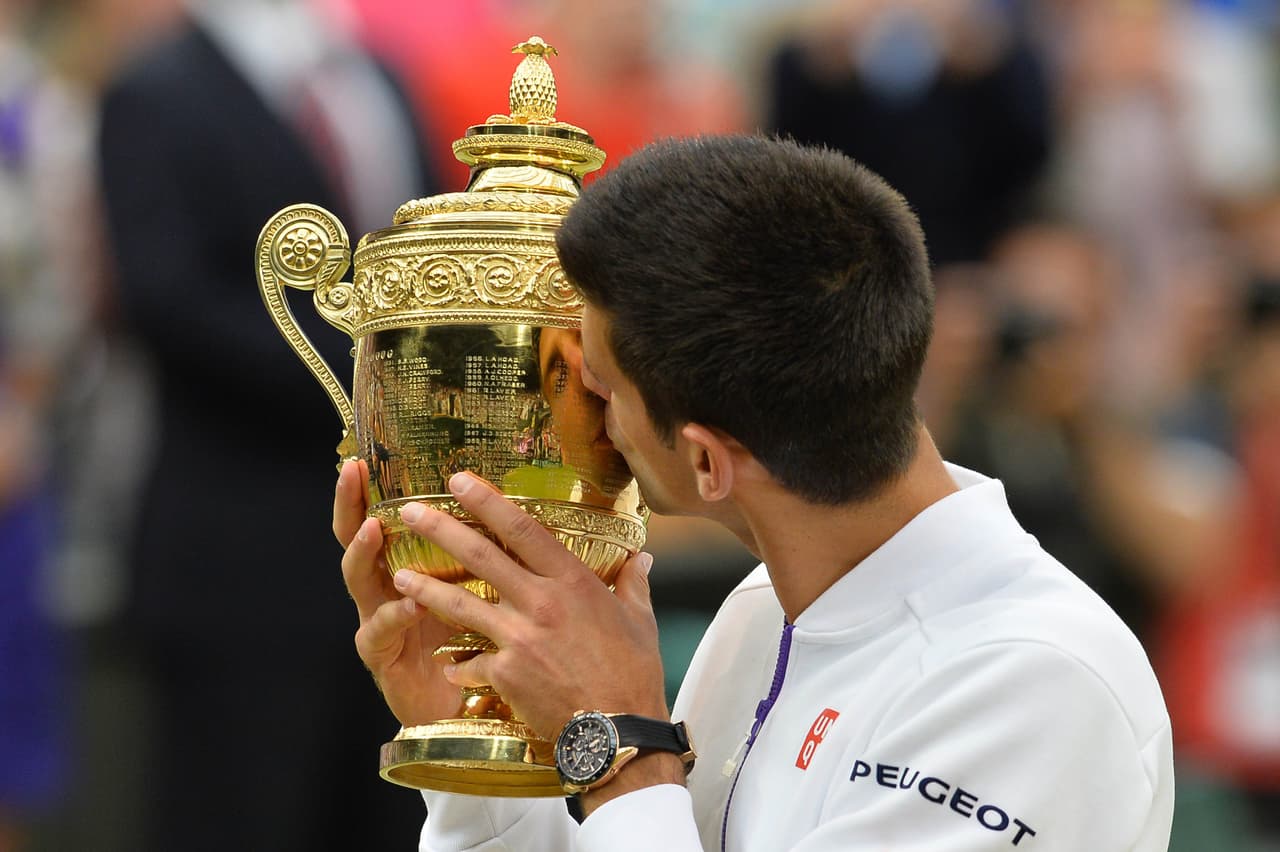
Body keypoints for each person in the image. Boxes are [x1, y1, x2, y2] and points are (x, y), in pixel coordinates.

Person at [334, 135, 1174, 850]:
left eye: (601, 392)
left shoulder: (1038, 682)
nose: (584, 420)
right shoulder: (762, 611)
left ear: (707, 462)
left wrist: (622, 744)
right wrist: (480, 742)